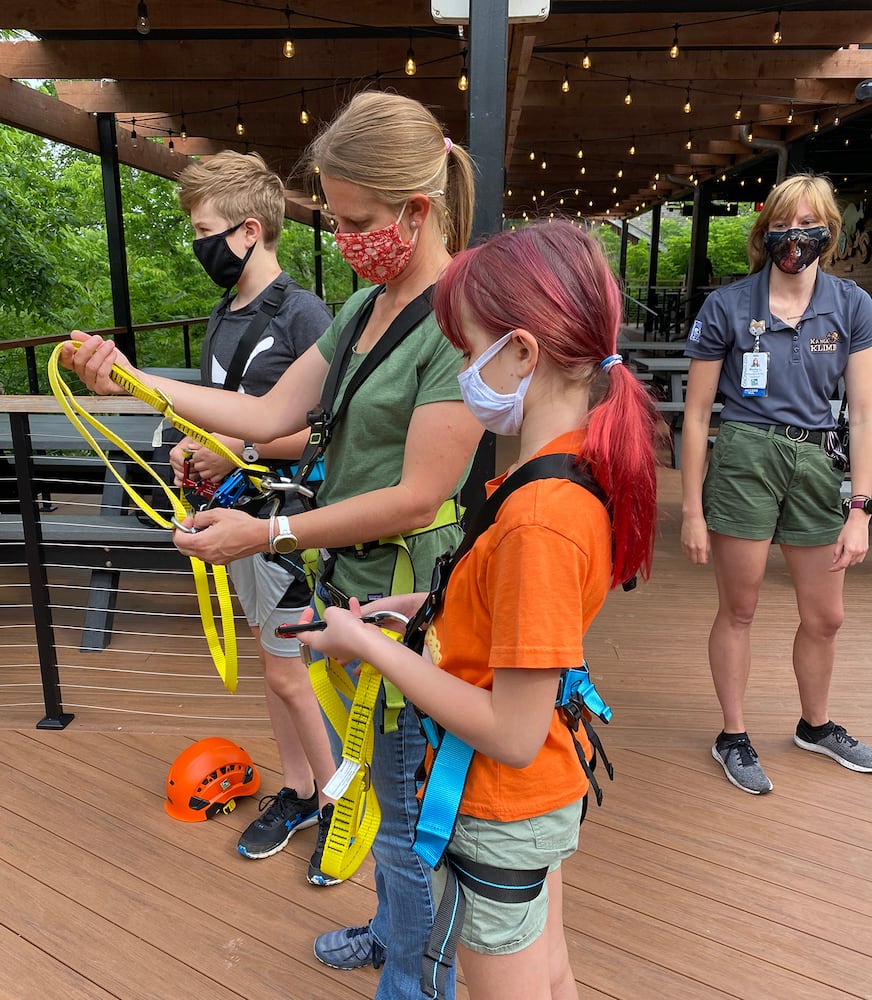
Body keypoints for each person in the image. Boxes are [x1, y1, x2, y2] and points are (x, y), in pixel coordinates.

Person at [62, 91, 481, 1000]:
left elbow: (421, 496)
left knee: (412, 808)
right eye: (335, 218)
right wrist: (134, 380)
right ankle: (391, 930)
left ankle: (414, 977)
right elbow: (264, 416)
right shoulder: (370, 303)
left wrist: (273, 530)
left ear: (416, 210)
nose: (345, 237)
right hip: (349, 584)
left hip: (409, 595)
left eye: (357, 219)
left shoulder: (460, 316)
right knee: (378, 783)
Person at [297, 219, 658, 1000]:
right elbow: (513, 612)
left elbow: (512, 731)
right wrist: (415, 609)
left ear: (523, 352)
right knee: (553, 974)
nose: (464, 370)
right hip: (538, 800)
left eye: (469, 351)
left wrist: (372, 649)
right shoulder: (562, 475)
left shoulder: (539, 520)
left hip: (499, 805)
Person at [168, 150, 338, 869]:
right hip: (237, 523)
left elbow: (331, 430)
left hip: (287, 523)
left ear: (246, 230)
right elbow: (225, 419)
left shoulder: (307, 316)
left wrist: (235, 444)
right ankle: (300, 790)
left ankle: (336, 804)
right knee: (280, 672)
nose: (195, 243)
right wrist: (191, 446)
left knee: (288, 672)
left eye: (202, 228)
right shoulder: (224, 313)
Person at [681, 172, 872, 795]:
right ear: (767, 232)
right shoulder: (729, 305)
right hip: (745, 457)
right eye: (785, 224)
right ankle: (732, 734)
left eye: (810, 223)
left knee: (827, 615)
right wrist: (689, 508)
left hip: (817, 462)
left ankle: (814, 726)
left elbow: (864, 411)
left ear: (830, 231)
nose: (797, 236)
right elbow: (698, 412)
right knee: (741, 607)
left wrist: (861, 508)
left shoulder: (851, 306)